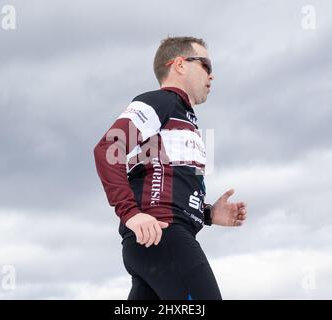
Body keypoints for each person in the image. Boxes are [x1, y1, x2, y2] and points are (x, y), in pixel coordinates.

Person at [93, 36, 247, 300]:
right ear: (179, 64)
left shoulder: (184, 120)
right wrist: (131, 213)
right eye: (206, 66)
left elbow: (162, 180)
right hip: (163, 237)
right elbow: (107, 150)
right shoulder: (160, 102)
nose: (212, 76)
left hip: (158, 243)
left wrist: (208, 214)